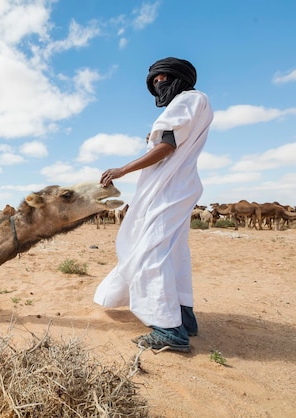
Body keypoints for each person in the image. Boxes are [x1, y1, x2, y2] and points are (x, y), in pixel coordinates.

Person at [94, 57, 213, 352]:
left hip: (168, 191)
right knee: (174, 253)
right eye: (154, 81)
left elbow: (168, 145)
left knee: (150, 253)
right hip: (180, 187)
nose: (158, 84)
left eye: (162, 79)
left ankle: (169, 329)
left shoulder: (185, 101)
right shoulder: (199, 103)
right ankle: (184, 317)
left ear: (178, 78)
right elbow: (173, 142)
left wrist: (123, 169)